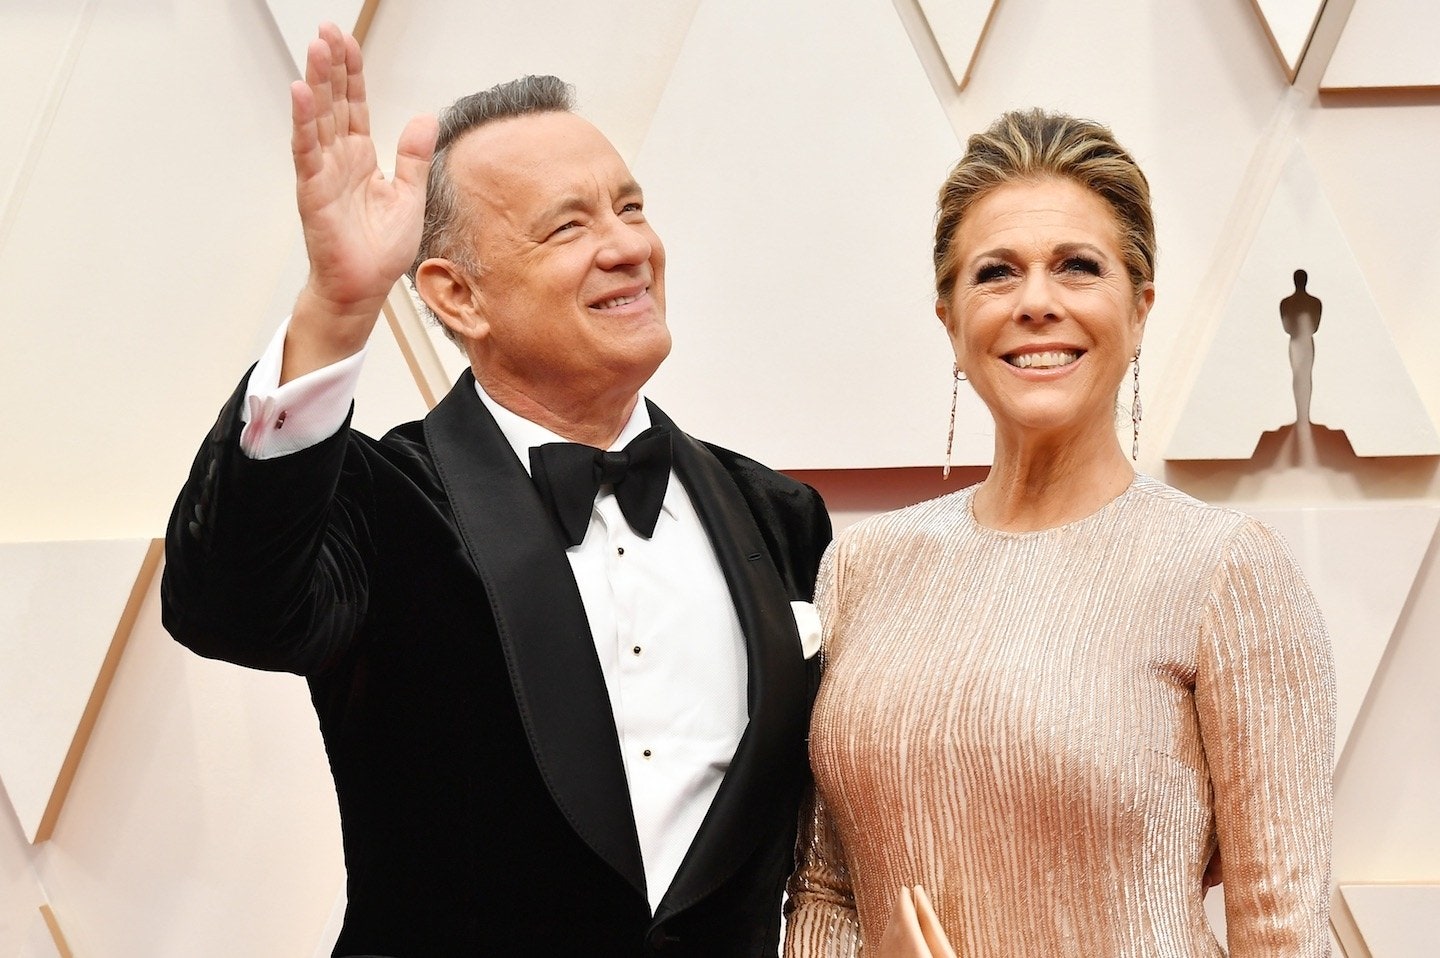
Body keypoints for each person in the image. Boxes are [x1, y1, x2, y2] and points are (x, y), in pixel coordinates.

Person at [161, 23, 830, 957]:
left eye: (630, 208)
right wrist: (336, 310)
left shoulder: (781, 515)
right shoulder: (383, 501)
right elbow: (228, 605)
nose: (627, 246)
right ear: (457, 296)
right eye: (570, 225)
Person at [784, 108, 1335, 957]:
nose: (1037, 302)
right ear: (950, 321)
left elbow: (1281, 925)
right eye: (996, 273)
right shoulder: (861, 568)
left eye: (1078, 267)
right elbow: (827, 886)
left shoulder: (1224, 570)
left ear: (1139, 310)